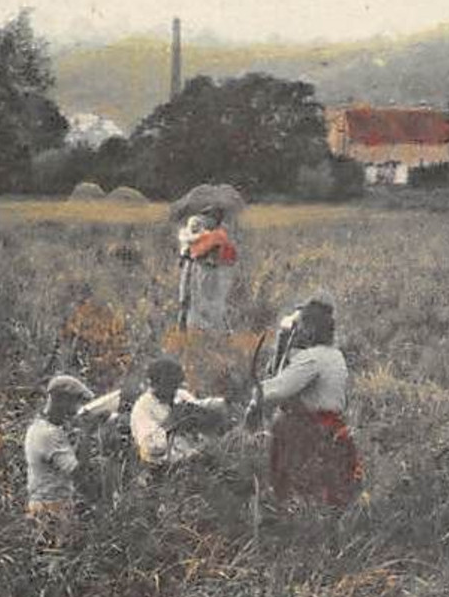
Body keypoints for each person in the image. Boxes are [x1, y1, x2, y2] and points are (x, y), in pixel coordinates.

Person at [246, 296, 362, 507]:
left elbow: (276, 389)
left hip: (311, 431)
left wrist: (254, 400)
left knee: (298, 490)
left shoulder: (313, 359)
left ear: (308, 330)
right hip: (332, 429)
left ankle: (285, 504)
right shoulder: (333, 355)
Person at [23, 375, 95, 543]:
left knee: (51, 560)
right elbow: (78, 473)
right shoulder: (49, 434)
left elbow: (62, 462)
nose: (76, 410)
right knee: (56, 561)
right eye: (75, 402)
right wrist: (87, 433)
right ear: (61, 400)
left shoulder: (39, 427)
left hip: (45, 505)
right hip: (52, 508)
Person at [129, 356, 227, 467]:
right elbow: (150, 447)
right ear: (154, 383)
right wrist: (171, 422)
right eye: (169, 385)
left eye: (175, 385)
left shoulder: (180, 395)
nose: (173, 390)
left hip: (194, 460)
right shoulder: (143, 408)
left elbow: (200, 408)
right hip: (163, 468)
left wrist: (221, 404)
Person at [177, 208, 238, 332]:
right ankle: (188, 330)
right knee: (190, 301)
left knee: (205, 302)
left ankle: (207, 331)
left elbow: (227, 255)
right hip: (199, 269)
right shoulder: (204, 234)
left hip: (206, 270)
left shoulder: (216, 236)